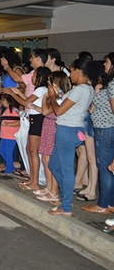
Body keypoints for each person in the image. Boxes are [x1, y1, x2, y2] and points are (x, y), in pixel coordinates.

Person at [47, 57, 94, 216]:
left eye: (72, 72)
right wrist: (58, 92)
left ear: (79, 71)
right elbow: (70, 104)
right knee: (54, 164)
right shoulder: (87, 88)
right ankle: (65, 196)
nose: (70, 76)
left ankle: (66, 206)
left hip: (67, 129)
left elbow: (59, 110)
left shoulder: (81, 88)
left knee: (66, 170)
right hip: (72, 129)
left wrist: (52, 96)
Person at [9, 67, 51, 192]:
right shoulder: (40, 90)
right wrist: (17, 93)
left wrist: (12, 94)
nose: (32, 78)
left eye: (34, 76)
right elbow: (27, 101)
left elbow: (26, 101)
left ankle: (35, 181)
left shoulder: (41, 89)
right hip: (34, 119)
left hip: (37, 120)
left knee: (33, 151)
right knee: (29, 150)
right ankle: (32, 179)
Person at [32, 71, 70, 204]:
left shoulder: (60, 96)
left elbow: (46, 111)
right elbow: (44, 111)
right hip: (47, 126)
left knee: (51, 160)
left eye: (50, 81)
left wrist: (45, 97)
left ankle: (54, 190)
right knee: (46, 159)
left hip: (53, 127)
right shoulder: (54, 95)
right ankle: (49, 187)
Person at [82, 56, 114, 215]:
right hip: (105, 128)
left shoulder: (111, 85)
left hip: (105, 128)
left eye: (107, 62)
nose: (104, 65)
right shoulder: (108, 84)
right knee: (108, 167)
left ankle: (103, 204)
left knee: (105, 167)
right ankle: (110, 203)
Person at [0, 94, 21, 174]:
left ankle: (9, 168)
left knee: (8, 152)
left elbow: (19, 121)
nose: (2, 102)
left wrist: (7, 125)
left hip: (10, 135)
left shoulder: (14, 110)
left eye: (3, 100)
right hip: (4, 135)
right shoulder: (7, 110)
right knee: (1, 150)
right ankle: (10, 165)